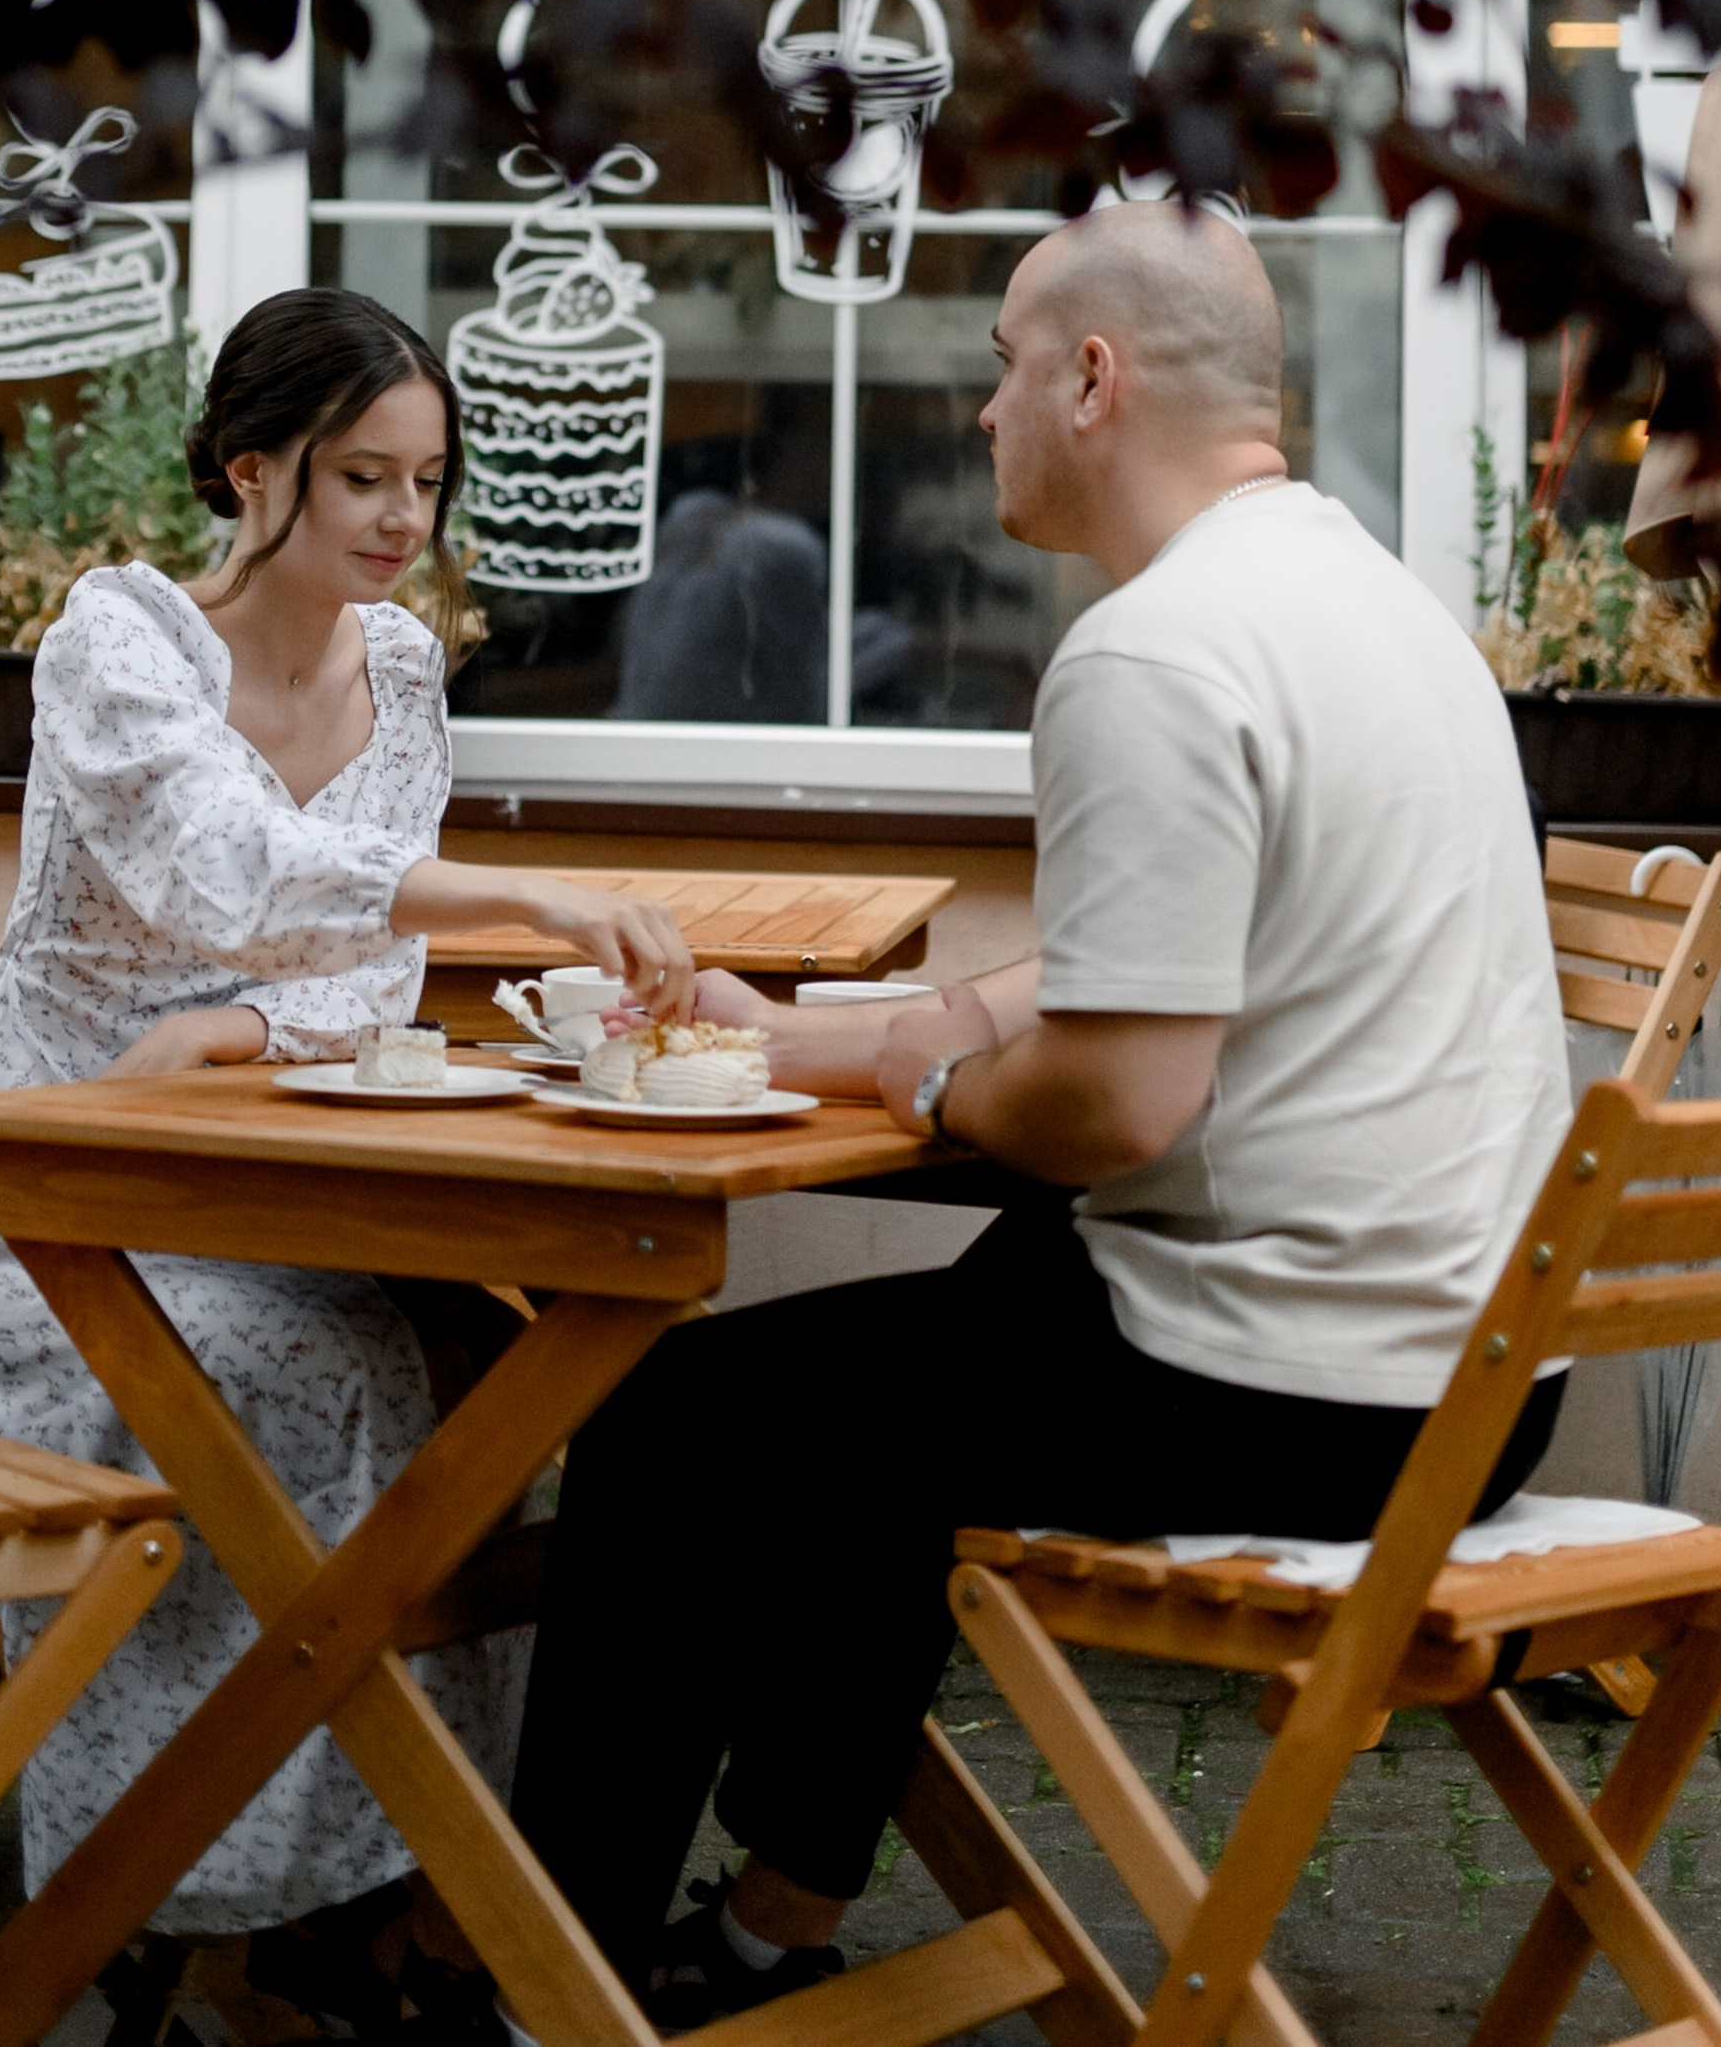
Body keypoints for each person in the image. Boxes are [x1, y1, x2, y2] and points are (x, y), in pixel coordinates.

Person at [506, 200, 1572, 2028]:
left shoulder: (1154, 656)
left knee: (683, 1416)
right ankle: (770, 1927)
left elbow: (1115, 1102)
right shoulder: (1374, 605)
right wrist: (837, 1036)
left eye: (1005, 363)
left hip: (1303, 1401)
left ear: (1096, 378)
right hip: (1477, 1382)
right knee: (942, 1354)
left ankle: (543, 1988)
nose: (980, 409)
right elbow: (1154, 970)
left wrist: (932, 1075)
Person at [0, 285, 696, 1992]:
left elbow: (370, 971)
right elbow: (229, 868)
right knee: (321, 1387)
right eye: (365, 479)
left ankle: (420, 1887)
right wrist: (526, 891)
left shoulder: (396, 662)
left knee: (482, 1363)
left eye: (429, 482)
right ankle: (200, 1902)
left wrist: (238, 1027)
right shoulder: (119, 638)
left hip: (250, 1173)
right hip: (25, 1206)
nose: (406, 522)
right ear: (253, 476)